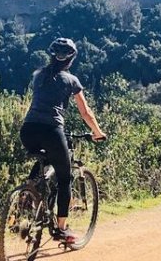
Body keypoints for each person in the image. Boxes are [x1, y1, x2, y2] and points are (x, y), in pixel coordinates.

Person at [20, 37, 106, 244]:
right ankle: (60, 229)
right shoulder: (71, 80)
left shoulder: (37, 75)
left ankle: (27, 194)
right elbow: (85, 112)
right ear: (71, 59)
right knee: (65, 176)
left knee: (43, 160)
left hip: (28, 129)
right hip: (51, 130)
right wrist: (97, 131)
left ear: (51, 55)